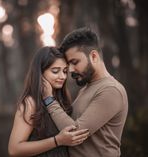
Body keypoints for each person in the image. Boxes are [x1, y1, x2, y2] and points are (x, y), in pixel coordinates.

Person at [42, 27, 128, 157]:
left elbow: (74, 134)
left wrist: (49, 99)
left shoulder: (111, 90)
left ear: (93, 56)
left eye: (74, 62)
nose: (70, 70)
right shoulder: (86, 88)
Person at [8, 46, 89, 157]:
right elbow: (14, 149)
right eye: (55, 71)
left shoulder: (61, 99)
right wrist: (57, 141)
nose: (62, 77)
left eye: (65, 71)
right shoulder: (30, 103)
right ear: (40, 73)